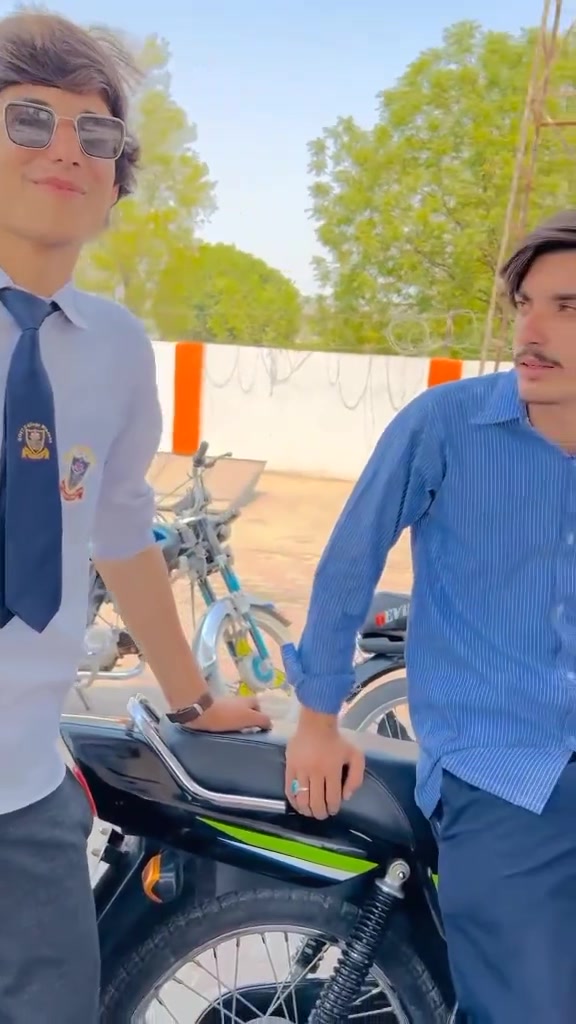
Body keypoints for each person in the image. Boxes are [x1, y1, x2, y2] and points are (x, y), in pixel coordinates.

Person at [0, 11, 272, 1024]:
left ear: (117, 183)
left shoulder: (114, 350)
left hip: (23, 787)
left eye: (96, 133)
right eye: (29, 120)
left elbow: (122, 533)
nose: (67, 148)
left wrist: (193, 699)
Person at [283, 209, 576, 1023]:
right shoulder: (444, 425)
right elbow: (351, 560)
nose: (532, 330)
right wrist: (317, 718)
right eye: (525, 304)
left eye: (567, 308)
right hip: (502, 773)